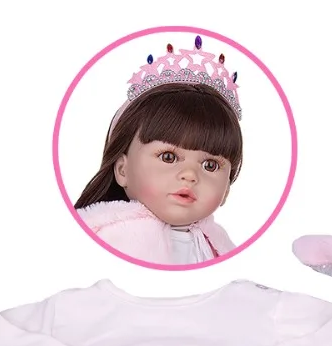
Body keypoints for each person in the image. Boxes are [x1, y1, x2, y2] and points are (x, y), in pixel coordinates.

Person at [74, 38, 243, 264]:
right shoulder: (110, 239)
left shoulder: (218, 245)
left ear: (226, 190)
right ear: (123, 170)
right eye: (168, 157)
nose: (190, 175)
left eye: (210, 165)